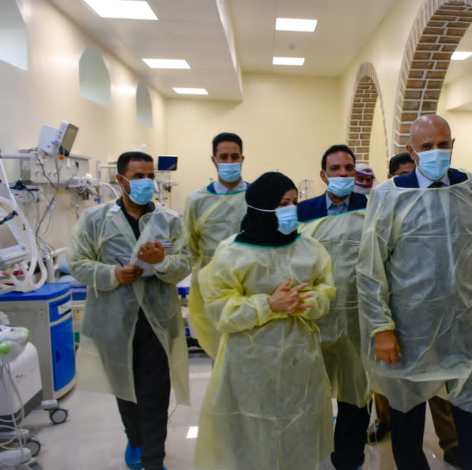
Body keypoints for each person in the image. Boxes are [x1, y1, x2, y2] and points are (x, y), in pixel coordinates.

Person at [358, 114, 472, 470]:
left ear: (452, 145)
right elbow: (371, 268)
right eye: (426, 146)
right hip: (410, 331)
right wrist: (381, 327)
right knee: (407, 426)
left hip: (463, 325)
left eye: (442, 145)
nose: (436, 152)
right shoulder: (389, 195)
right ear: (411, 150)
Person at [194, 172, 336, 470]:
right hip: (249, 363)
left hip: (300, 359)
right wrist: (269, 305)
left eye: (294, 202)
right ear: (261, 206)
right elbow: (220, 310)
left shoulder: (310, 248)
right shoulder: (232, 253)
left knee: (299, 427)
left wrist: (305, 302)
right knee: (252, 432)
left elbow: (326, 290)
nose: (291, 209)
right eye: (283, 203)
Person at [70, 151, 191, 470]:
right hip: (113, 319)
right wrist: (114, 274)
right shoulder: (96, 220)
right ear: (121, 180)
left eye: (150, 176)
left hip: (157, 320)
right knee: (125, 388)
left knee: (156, 392)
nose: (146, 182)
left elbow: (184, 263)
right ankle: (135, 439)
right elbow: (78, 263)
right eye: (138, 177)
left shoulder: (169, 220)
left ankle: (153, 457)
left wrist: (161, 262)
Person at [369, 150, 463, 467]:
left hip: (439, 317)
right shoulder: (384, 205)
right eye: (403, 175)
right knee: (399, 393)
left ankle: (452, 443)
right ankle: (388, 427)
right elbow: (373, 269)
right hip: (400, 317)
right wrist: (382, 325)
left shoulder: (442, 205)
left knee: (440, 388)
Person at [298, 145, 370, 470]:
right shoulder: (303, 211)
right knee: (312, 391)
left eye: (348, 168)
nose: (343, 174)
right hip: (314, 318)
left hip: (358, 317)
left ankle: (349, 459)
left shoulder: (370, 208)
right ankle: (312, 454)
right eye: (335, 169)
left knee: (356, 394)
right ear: (323, 175)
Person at [183, 132, 248, 358]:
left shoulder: (255, 196)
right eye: (224, 157)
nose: (229, 162)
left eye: (235, 157)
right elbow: (189, 245)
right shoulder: (197, 200)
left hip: (250, 286)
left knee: (250, 351)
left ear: (242, 158)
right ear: (214, 159)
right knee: (219, 353)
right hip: (212, 289)